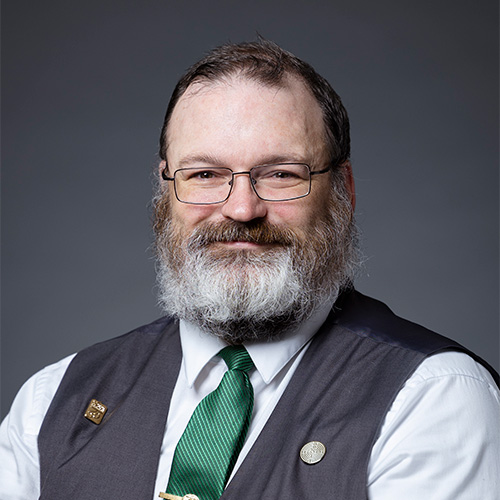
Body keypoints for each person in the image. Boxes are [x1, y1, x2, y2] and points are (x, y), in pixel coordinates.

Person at [1, 39, 499, 500]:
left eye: (281, 174)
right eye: (204, 175)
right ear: (165, 190)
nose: (241, 209)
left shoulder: (436, 398)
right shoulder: (52, 400)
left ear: (342, 191)